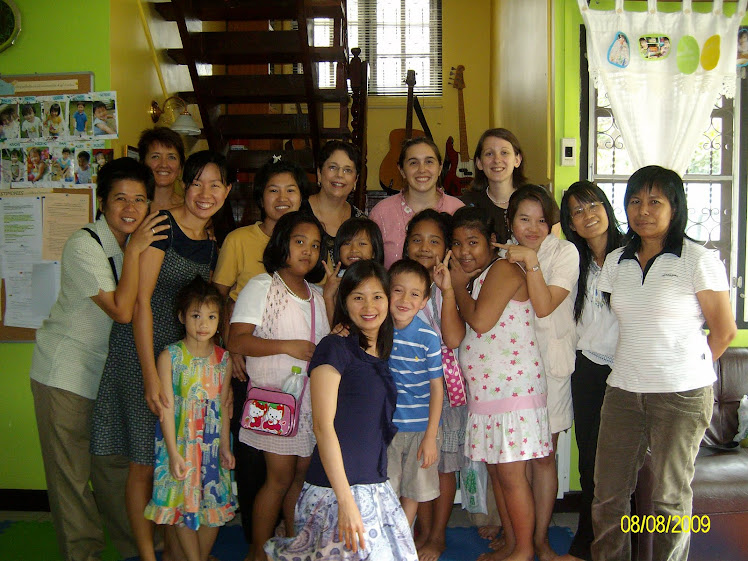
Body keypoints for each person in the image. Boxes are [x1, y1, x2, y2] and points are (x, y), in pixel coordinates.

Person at [91, 151, 232, 561]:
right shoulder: (161, 227)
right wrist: (152, 376)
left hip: (185, 359)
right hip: (141, 353)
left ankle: (175, 550)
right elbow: (140, 304)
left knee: (178, 457)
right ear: (184, 185)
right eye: (197, 183)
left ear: (227, 191)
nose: (205, 194)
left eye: (215, 185)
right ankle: (147, 555)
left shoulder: (211, 243)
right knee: (143, 460)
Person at [591, 166, 737, 561]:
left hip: (680, 395)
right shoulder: (616, 261)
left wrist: (681, 367)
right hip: (622, 391)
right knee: (607, 497)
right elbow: (624, 320)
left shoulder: (698, 259)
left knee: (668, 499)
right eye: (635, 201)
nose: (644, 210)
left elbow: (724, 332)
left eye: (655, 201)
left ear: (676, 206)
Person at [30, 158, 169, 561]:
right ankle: (84, 555)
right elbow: (123, 310)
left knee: (111, 468)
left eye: (139, 200)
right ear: (102, 202)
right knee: (70, 477)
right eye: (120, 199)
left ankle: (135, 549)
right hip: (65, 375)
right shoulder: (84, 244)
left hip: (105, 376)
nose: (130, 208)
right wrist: (140, 247)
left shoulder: (128, 244)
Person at [265, 260, 418, 561]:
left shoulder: (379, 352)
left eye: (377, 296)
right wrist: (345, 501)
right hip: (336, 492)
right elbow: (323, 428)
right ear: (344, 303)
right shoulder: (334, 348)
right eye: (358, 297)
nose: (369, 305)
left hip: (374, 486)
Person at [213, 157, 309, 552]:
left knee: (290, 474)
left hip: (299, 389)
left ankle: (287, 538)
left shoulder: (310, 271)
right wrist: (227, 349)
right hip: (253, 366)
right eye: (273, 190)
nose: (282, 197)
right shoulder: (241, 244)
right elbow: (220, 300)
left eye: (291, 189)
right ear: (260, 198)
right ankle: (258, 544)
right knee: (262, 469)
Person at [450, 206, 553, 561]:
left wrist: (457, 285)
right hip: (489, 394)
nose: (464, 251)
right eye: (458, 243)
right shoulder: (480, 277)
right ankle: (512, 544)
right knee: (498, 475)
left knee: (511, 477)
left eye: (474, 242)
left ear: (492, 242)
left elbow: (480, 321)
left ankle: (523, 550)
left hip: (512, 392)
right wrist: (462, 285)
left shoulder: (504, 269)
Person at [228, 211, 331, 561]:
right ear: (281, 243)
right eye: (299, 241)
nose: (308, 251)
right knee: (279, 477)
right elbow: (237, 341)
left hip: (309, 403)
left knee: (301, 475)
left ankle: (292, 542)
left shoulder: (317, 294)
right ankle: (257, 550)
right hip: (275, 401)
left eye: (315, 245)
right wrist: (286, 346)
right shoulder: (262, 286)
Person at [497, 185, 579, 560]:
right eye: (523, 219)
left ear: (553, 222)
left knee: (544, 456)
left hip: (550, 365)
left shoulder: (564, 252)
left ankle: (541, 541)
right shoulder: (501, 255)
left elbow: (544, 306)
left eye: (541, 219)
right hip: (510, 370)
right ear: (510, 220)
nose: (532, 227)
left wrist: (529, 261)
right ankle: (519, 539)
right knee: (515, 458)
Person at [144, 276, 236, 561]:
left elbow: (222, 406)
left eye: (211, 316)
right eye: (196, 315)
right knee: (184, 506)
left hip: (210, 447)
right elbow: (167, 409)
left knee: (214, 509)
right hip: (181, 445)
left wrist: (224, 447)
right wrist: (172, 453)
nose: (203, 323)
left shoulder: (223, 359)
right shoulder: (170, 356)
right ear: (182, 316)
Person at [558, 182, 625, 561]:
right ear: (571, 223)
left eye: (593, 205)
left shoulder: (633, 254)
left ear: (606, 208)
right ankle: (586, 544)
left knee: (623, 465)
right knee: (590, 463)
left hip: (630, 372)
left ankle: (622, 545)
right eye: (578, 211)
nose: (588, 215)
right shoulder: (574, 262)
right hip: (588, 371)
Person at [401, 209, 467, 561]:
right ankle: (420, 532)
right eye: (416, 239)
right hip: (406, 395)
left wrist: (447, 289)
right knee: (415, 464)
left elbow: (453, 338)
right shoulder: (394, 283)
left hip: (443, 391)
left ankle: (436, 536)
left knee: (442, 467)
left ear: (445, 248)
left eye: (434, 240)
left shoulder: (447, 285)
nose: (424, 247)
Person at [385, 259, 444, 525]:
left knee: (414, 490)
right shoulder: (377, 331)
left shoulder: (428, 337)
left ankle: (403, 538)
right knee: (387, 488)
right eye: (398, 290)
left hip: (421, 428)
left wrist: (431, 436)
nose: (405, 299)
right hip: (386, 428)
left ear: (424, 301)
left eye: (415, 294)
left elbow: (436, 388)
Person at [370, 137, 464, 268]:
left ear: (440, 167)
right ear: (402, 170)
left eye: (429, 162)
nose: (422, 169)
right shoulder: (381, 213)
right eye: (413, 163)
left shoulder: (458, 210)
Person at [301, 140, 365, 265]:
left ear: (355, 180)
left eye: (348, 170)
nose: (340, 175)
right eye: (332, 167)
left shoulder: (361, 221)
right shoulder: (298, 212)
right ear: (319, 173)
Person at [461, 128, 526, 244]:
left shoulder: (537, 200)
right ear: (479, 163)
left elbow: (551, 250)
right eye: (489, 154)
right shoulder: (467, 204)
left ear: (517, 160)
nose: (497, 160)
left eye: (504, 153)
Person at [321, 216, 384, 323]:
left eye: (362, 244)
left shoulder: (381, 278)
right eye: (347, 243)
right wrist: (328, 295)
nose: (354, 249)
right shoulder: (337, 280)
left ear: (374, 251)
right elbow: (334, 326)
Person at [138, 127, 186, 212]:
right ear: (143, 163)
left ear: (180, 168)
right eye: (155, 156)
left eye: (171, 157)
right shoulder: (132, 208)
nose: (164, 164)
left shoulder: (190, 209)